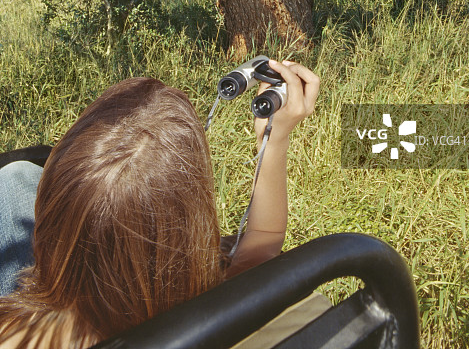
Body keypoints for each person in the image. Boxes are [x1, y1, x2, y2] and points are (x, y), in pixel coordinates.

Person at [0, 59, 320, 348]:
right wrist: (274, 138)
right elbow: (264, 239)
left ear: (44, 232)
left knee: (16, 178)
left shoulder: (14, 332)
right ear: (186, 232)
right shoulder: (218, 307)